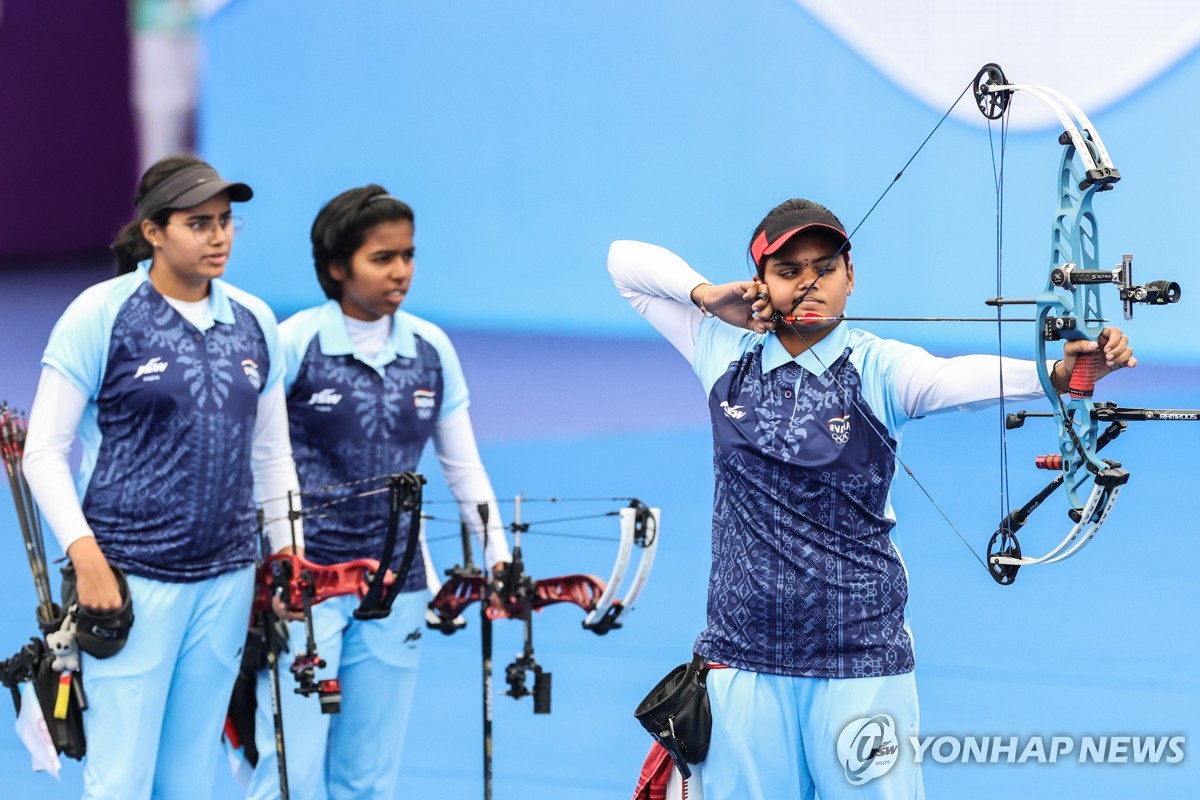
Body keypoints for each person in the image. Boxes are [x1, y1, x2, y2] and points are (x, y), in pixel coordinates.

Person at [608, 197, 1136, 799]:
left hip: (859, 662)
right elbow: (624, 264)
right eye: (787, 271)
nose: (809, 283)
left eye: (825, 267)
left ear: (851, 276)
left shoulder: (879, 368)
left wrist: (1058, 377)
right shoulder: (723, 351)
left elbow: (956, 379)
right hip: (742, 660)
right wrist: (706, 295)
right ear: (761, 284)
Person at [21, 155, 300, 799]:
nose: (219, 236)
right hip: (129, 581)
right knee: (120, 780)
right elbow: (43, 451)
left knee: (191, 777)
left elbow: (272, 455)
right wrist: (85, 557)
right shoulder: (101, 313)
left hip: (228, 578)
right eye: (198, 223)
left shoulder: (256, 321)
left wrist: (288, 554)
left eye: (227, 222)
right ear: (153, 232)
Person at [246, 185, 511, 800]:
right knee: (289, 773)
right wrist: (281, 563)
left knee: (367, 779)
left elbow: (463, 468)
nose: (401, 272)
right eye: (382, 258)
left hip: (398, 586)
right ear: (337, 267)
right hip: (306, 587)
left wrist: (497, 558)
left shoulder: (430, 349)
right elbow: (261, 459)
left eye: (408, 255)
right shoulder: (294, 343)